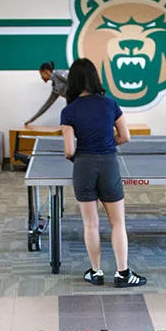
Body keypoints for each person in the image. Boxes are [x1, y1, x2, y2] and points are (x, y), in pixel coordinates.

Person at [61, 57, 147, 287]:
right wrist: (107, 143)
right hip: (109, 164)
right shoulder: (110, 104)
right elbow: (125, 137)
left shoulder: (68, 111)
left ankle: (96, 272)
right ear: (94, 78)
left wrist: (78, 154)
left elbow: (69, 150)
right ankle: (122, 274)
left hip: (83, 167)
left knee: (90, 224)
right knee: (117, 223)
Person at [24, 61, 69, 126]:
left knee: (67, 116)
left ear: (46, 71)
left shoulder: (58, 73)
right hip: (72, 103)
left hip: (80, 100)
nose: (41, 77)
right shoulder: (55, 87)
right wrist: (32, 119)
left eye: (41, 74)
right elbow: (47, 105)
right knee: (66, 118)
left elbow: (75, 82)